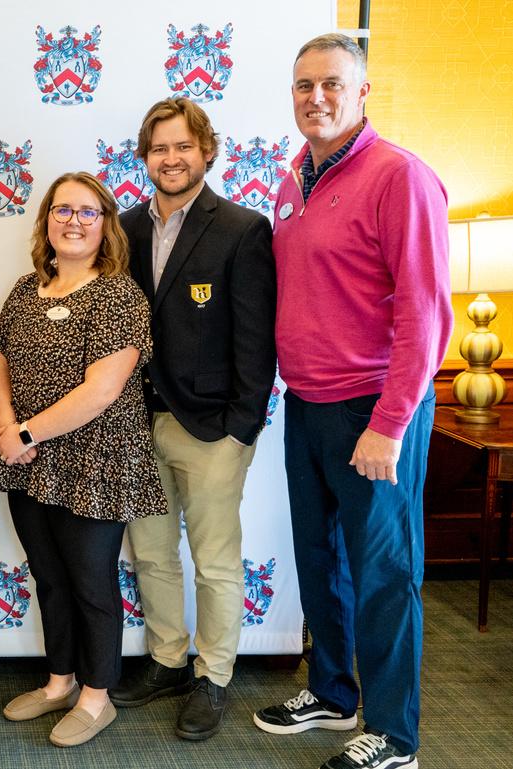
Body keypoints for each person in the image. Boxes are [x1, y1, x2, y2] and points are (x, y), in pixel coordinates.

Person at [252, 34, 452, 769]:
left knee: (384, 575)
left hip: (375, 408)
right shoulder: (291, 179)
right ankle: (332, 694)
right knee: (318, 561)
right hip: (305, 404)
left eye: (332, 83)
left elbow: (425, 315)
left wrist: (390, 424)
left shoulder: (400, 176)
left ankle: (394, 734)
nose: (316, 98)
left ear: (361, 91)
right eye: (303, 85)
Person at [110, 96, 276, 741]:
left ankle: (213, 675)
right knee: (152, 555)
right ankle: (168, 660)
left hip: (211, 428)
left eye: (183, 146)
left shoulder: (241, 228)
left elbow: (255, 340)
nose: (171, 158)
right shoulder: (123, 227)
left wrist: (241, 426)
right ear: (144, 157)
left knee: (214, 560)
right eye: (159, 148)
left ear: (207, 151)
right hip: (135, 422)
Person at [0, 171, 168, 748]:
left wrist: (26, 432)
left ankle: (96, 696)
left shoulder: (119, 294)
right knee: (49, 576)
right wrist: (8, 430)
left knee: (91, 582)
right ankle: (59, 681)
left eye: (88, 212)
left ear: (105, 224)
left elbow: (102, 390)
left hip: (95, 459)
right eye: (62, 210)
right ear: (46, 221)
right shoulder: (26, 289)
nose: (73, 221)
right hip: (27, 460)